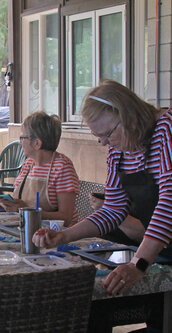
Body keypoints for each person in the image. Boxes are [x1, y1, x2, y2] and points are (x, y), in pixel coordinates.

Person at [33, 80, 172, 299]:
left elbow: (169, 202)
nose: (104, 143)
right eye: (99, 137)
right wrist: (64, 236)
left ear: (128, 117)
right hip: (159, 248)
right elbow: (113, 210)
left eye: (108, 134)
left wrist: (139, 263)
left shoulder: (166, 130)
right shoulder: (119, 152)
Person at [0, 111, 80, 227]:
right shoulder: (28, 164)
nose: (20, 142)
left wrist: (27, 211)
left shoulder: (62, 167)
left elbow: (66, 218)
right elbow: (18, 201)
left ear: (37, 143)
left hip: (55, 234)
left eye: (22, 138)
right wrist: (6, 202)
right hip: (27, 227)